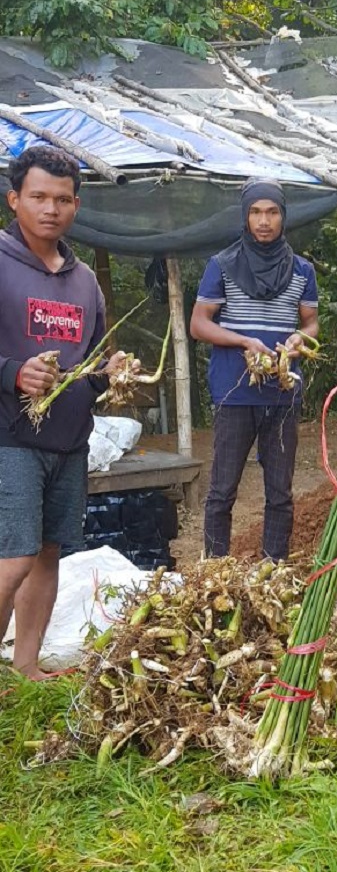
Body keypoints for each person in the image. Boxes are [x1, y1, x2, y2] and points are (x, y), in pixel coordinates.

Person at [0, 146, 133, 679]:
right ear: (14, 199)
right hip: (10, 437)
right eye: (38, 197)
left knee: (47, 554)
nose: (50, 209)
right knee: (13, 559)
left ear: (76, 205)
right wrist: (13, 373)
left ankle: (26, 667)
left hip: (69, 441)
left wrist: (110, 373)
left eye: (61, 199)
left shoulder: (83, 281)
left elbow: (89, 362)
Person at [191, 178, 319, 561]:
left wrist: (298, 339)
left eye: (272, 212)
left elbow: (311, 322)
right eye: (256, 212)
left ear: (284, 216)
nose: (264, 221)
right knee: (222, 490)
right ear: (245, 217)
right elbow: (198, 324)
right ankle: (215, 571)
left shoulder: (302, 271)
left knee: (280, 492)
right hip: (234, 392)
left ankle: (273, 569)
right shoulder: (222, 265)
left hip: (282, 392)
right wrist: (243, 341)